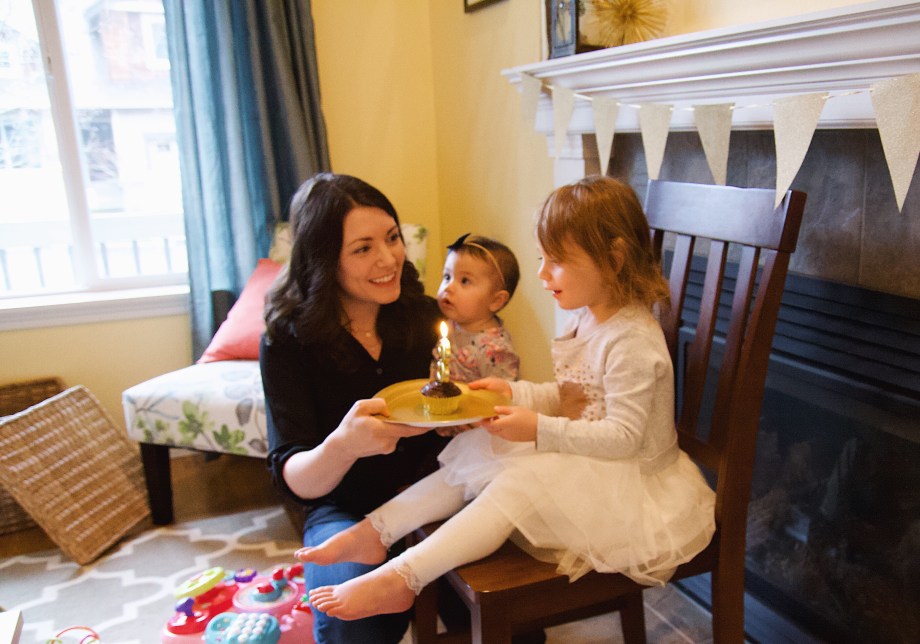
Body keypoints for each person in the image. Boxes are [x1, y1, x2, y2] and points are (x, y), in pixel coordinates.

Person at [300, 175, 717, 621]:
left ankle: (405, 578)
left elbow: (624, 438)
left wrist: (537, 429)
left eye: (556, 261)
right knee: (480, 444)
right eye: (542, 259)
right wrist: (515, 393)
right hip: (591, 457)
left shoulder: (631, 340)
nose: (541, 274)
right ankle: (376, 531)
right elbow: (576, 397)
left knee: (517, 483)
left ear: (612, 259)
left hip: (632, 487)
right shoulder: (587, 317)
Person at [260, 172, 451, 643]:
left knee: (510, 616)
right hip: (344, 510)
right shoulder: (287, 340)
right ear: (324, 260)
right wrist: (344, 446)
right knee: (352, 622)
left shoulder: (424, 317)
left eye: (392, 238)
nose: (388, 259)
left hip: (438, 493)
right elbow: (296, 479)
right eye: (363, 248)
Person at [436, 233, 521, 384]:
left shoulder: (495, 350)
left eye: (465, 281)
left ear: (496, 301)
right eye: (447, 277)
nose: (448, 287)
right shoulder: (452, 324)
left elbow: (501, 395)